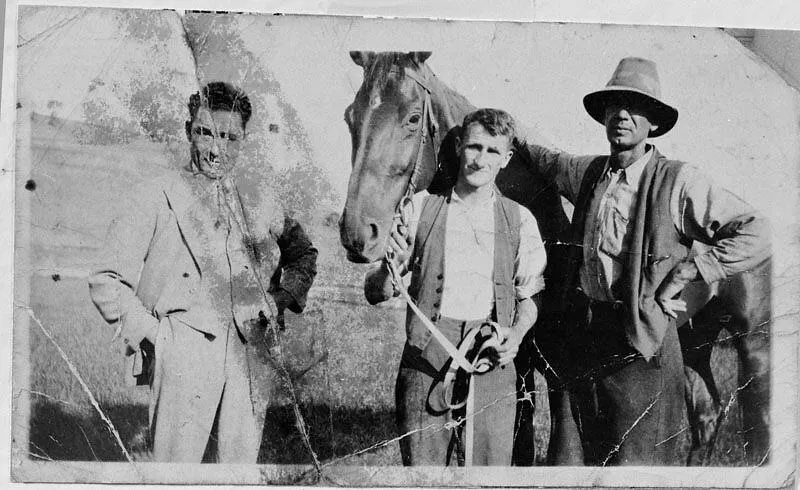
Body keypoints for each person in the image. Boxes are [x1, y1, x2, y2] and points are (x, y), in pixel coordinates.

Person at [520, 57, 770, 465]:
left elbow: (757, 229)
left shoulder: (679, 180)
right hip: (582, 344)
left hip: (641, 348)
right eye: (613, 105)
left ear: (653, 122)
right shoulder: (587, 172)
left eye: (634, 107)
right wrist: (508, 132)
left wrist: (695, 268)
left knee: (637, 466)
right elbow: (545, 159)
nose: (621, 115)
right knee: (571, 463)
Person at [88, 82, 318, 463]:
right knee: (176, 476)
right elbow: (106, 279)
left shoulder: (261, 201)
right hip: (183, 356)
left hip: (249, 359)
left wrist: (277, 301)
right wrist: (156, 337)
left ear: (244, 139)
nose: (216, 149)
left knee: (237, 475)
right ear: (188, 131)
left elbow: (304, 255)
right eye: (205, 133)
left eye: (230, 137)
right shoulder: (156, 195)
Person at [364, 108, 547, 466]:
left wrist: (517, 333)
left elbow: (531, 292)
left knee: (488, 479)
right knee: (423, 478)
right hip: (426, 358)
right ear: (460, 146)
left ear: (506, 158)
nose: (480, 160)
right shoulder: (418, 209)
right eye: (474, 147)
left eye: (493, 151)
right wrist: (389, 268)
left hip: (490, 361)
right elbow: (376, 291)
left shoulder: (520, 220)